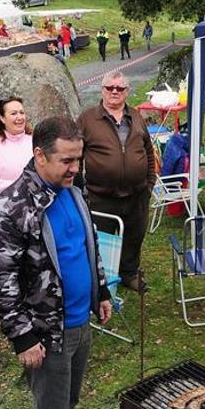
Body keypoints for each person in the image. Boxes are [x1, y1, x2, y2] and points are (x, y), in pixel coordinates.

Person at [0, 116, 112, 409]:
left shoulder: (71, 190)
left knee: (66, 398)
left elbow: (86, 246)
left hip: (78, 321)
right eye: (67, 161)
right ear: (39, 155)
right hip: (45, 331)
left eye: (78, 159)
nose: (75, 168)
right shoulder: (12, 208)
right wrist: (23, 338)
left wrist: (100, 291)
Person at [77, 71, 155, 291]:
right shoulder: (88, 119)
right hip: (100, 195)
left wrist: (149, 183)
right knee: (100, 239)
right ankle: (102, 280)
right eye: (109, 88)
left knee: (134, 236)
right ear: (102, 90)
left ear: (126, 92)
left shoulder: (136, 116)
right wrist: (79, 189)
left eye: (119, 88)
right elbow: (76, 154)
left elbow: (148, 151)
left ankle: (129, 275)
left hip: (137, 194)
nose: (114, 92)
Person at [0, 97, 33, 196]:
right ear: (2, 118)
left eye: (22, 112)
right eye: (13, 113)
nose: (20, 117)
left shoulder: (35, 140)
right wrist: (19, 187)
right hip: (11, 207)